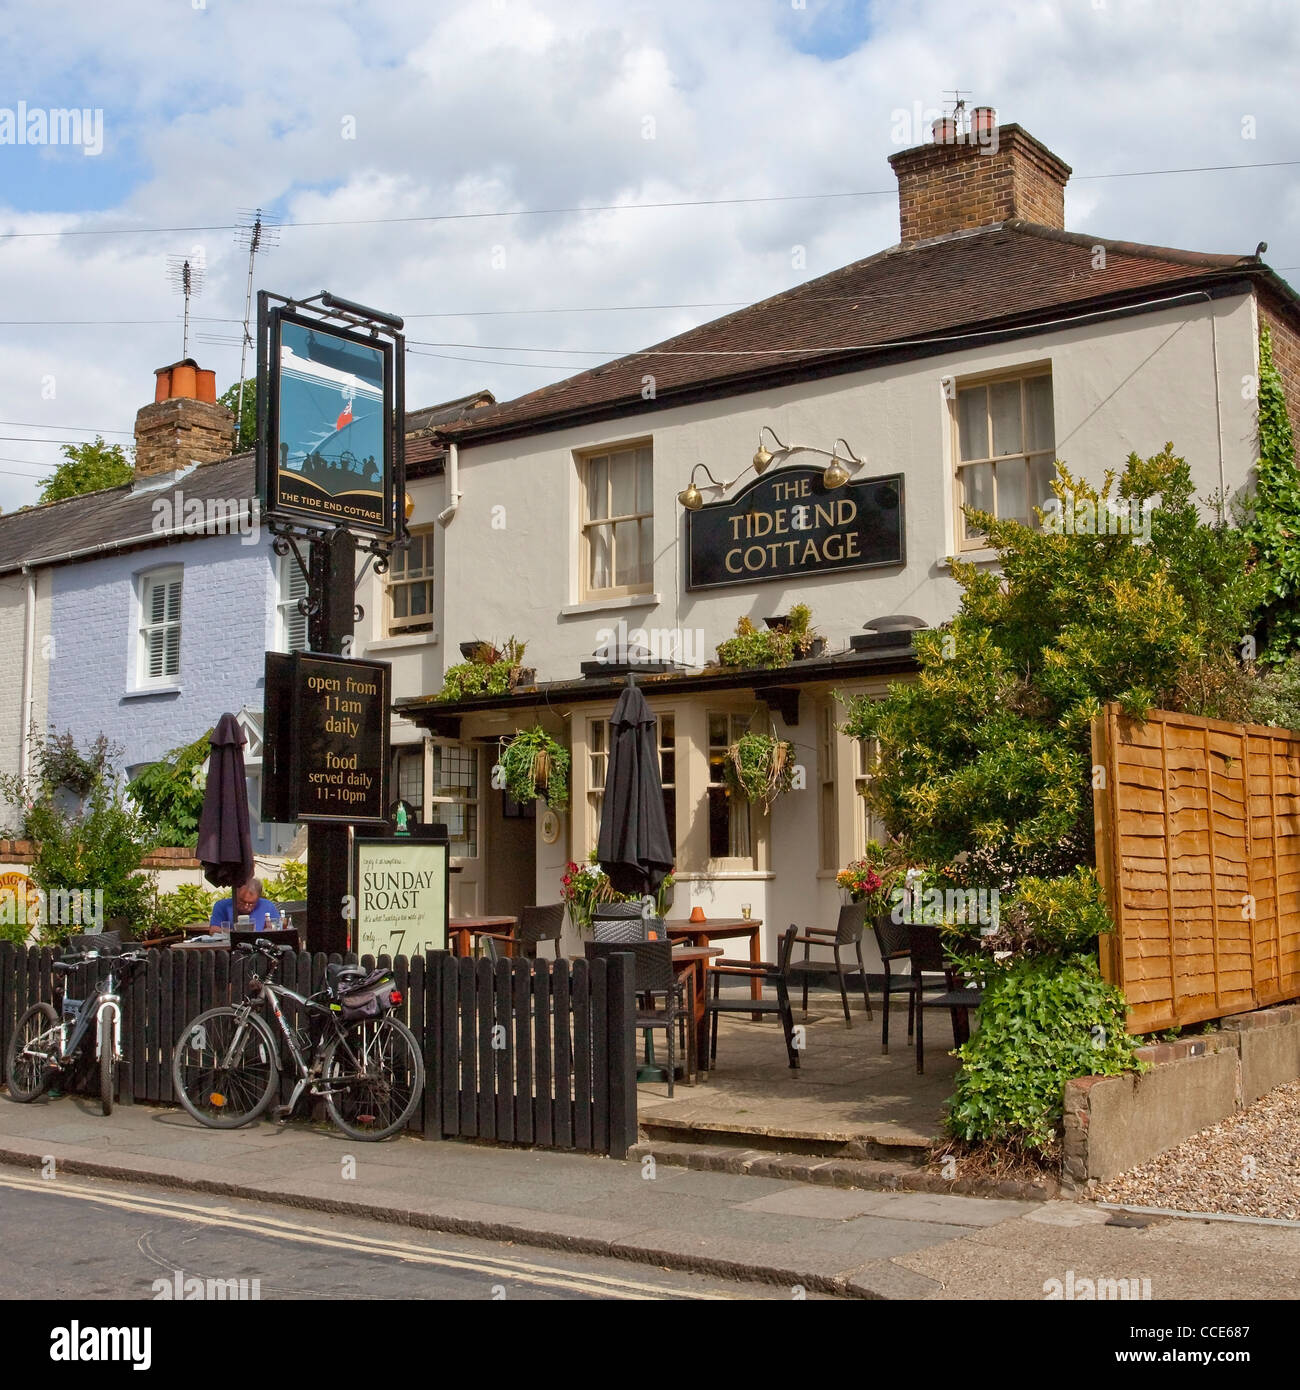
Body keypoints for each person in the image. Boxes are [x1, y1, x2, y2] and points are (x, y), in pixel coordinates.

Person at [210, 878, 282, 932]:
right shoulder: (222, 906)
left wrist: (269, 930)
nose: (246, 906)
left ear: (258, 898)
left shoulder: (267, 906)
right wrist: (233, 933)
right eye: (242, 901)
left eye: (251, 904)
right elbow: (213, 930)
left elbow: (278, 928)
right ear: (235, 894)